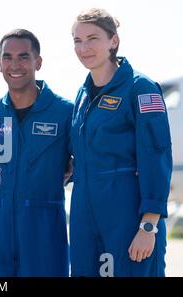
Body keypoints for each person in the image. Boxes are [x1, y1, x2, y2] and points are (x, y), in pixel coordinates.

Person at [69, 8, 172, 276]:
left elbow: (156, 155)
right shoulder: (82, 95)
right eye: (77, 41)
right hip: (84, 213)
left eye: (93, 38)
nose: (84, 48)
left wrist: (148, 225)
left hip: (125, 211)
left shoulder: (141, 88)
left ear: (113, 41)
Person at [0, 29, 72, 276]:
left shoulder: (65, 113)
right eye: (7, 57)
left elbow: (88, 162)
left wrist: (73, 168)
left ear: (39, 62)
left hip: (45, 228)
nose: (15, 64)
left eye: (24, 57)